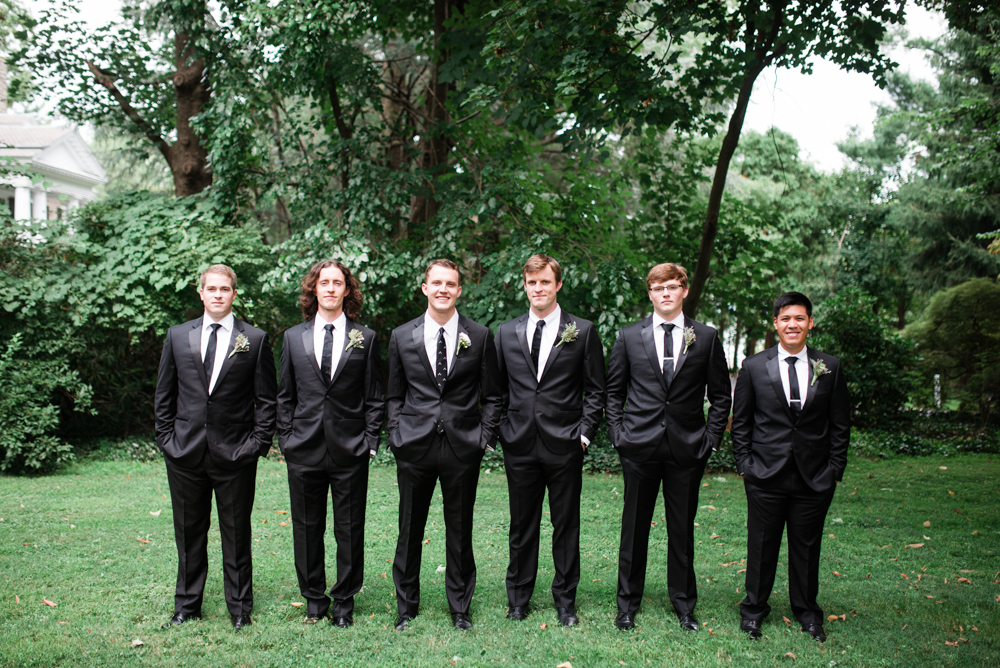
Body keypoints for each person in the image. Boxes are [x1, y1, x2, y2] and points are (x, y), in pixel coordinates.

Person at [606, 263, 731, 631]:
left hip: (687, 449)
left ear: (684, 291)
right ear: (650, 293)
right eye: (658, 288)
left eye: (673, 287)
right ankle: (627, 605)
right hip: (639, 447)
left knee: (681, 530)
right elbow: (614, 392)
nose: (666, 294)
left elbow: (721, 395)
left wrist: (710, 440)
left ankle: (684, 605)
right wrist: (618, 434)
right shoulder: (629, 336)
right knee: (634, 529)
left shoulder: (705, 337)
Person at [155, 264, 276, 631]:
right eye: (212, 289)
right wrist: (166, 440)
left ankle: (240, 608)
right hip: (185, 453)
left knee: (236, 532)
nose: (219, 295)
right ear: (201, 292)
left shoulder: (253, 339)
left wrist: (256, 445)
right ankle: (187, 605)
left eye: (225, 289)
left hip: (235, 455)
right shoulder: (178, 336)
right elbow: (165, 393)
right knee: (189, 533)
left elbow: (266, 400)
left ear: (234, 294)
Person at [386, 259, 502, 631]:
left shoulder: (480, 335)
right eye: (436, 283)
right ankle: (406, 607)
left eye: (450, 284)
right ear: (424, 288)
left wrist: (483, 439)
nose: (443, 290)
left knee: (460, 528)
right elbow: (392, 394)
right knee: (409, 530)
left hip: (462, 445)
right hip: (414, 445)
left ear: (459, 291)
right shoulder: (402, 335)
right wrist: (396, 435)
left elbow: (494, 396)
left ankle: (460, 607)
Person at [731, 291, 850, 642]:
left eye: (799, 318)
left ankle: (808, 613)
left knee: (807, 547)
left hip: (814, 477)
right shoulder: (754, 366)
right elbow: (742, 423)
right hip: (765, 474)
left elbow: (840, 424)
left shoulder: (830, 367)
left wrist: (834, 470)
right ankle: (753, 611)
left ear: (810, 323)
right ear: (776, 324)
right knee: (761, 545)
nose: (792, 324)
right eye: (785, 319)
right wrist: (745, 466)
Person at [495, 254, 606, 626]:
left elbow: (596, 390)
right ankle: (519, 599)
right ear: (524, 286)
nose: (538, 289)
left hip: (566, 443)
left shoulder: (583, 331)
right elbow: (495, 390)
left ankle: (565, 601)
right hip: (520, 443)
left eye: (545, 282)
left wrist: (585, 436)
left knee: (566, 525)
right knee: (521, 525)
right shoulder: (506, 332)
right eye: (532, 283)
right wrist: (501, 433)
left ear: (558, 284)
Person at [276, 260, 385, 628]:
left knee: (349, 527)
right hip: (303, 448)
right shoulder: (293, 338)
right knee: (306, 527)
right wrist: (287, 440)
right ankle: (313, 598)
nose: (330, 289)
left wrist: (369, 442)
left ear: (347, 290)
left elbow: (374, 396)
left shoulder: (365, 338)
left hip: (350, 448)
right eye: (324, 283)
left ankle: (343, 602)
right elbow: (284, 396)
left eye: (338, 283)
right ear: (314, 289)